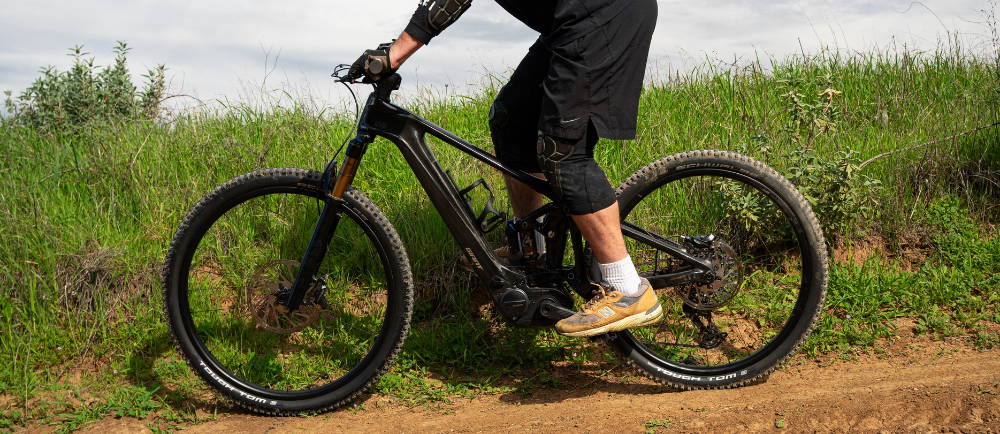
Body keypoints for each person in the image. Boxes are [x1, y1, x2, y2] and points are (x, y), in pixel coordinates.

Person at [349, 0, 662, 337]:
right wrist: (393, 50)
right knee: (511, 124)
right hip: (571, 23)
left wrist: (395, 54)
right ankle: (533, 253)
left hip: (602, 16)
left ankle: (627, 287)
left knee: (562, 152)